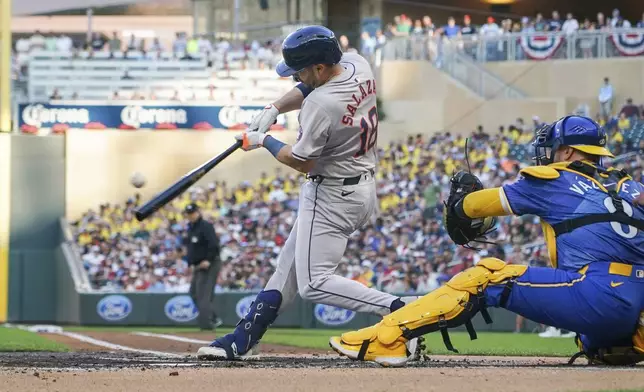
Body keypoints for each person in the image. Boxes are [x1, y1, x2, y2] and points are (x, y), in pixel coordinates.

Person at [329, 115, 644, 367]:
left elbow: (474, 207)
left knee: (487, 276)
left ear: (569, 152)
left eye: (553, 149)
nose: (548, 156)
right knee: (597, 342)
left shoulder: (556, 178)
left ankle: (386, 340)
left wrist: (460, 203)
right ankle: (613, 343)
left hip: (600, 294)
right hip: (638, 306)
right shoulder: (630, 187)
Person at [196, 25, 420, 361]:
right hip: (358, 186)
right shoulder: (358, 64)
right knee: (287, 268)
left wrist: (262, 141)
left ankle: (401, 310)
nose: (295, 78)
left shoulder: (320, 105)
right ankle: (244, 338)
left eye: (300, 70)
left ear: (319, 67)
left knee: (313, 283)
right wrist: (273, 109)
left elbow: (301, 160)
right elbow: (309, 85)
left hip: (331, 194)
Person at [183, 203, 223, 330]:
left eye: (193, 213)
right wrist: (190, 264)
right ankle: (213, 317)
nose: (191, 216)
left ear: (198, 212)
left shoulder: (205, 226)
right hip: (198, 265)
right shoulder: (191, 227)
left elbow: (214, 245)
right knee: (194, 293)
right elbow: (191, 249)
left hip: (209, 263)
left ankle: (207, 325)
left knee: (203, 294)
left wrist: (208, 260)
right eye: (189, 214)